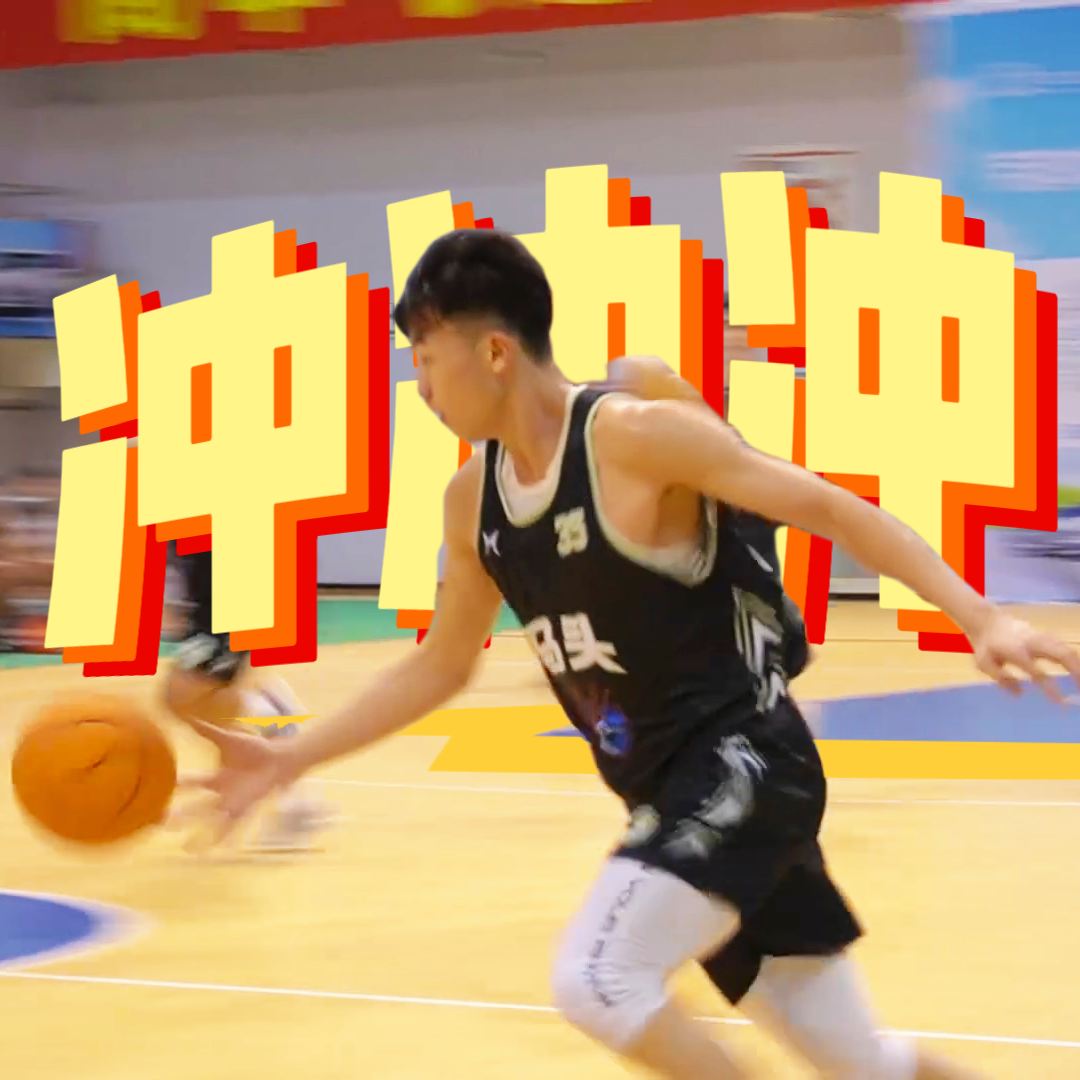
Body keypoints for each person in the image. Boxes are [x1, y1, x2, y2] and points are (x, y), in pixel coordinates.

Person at [187, 229, 1079, 1079]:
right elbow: (440, 665)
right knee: (860, 1062)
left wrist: (982, 618)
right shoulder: (472, 502)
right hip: (671, 795)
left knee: (598, 977)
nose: (417, 384)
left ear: (494, 351)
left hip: (745, 764)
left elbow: (830, 507)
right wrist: (290, 756)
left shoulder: (632, 438)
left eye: (424, 356)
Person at [165, 542, 334, 851]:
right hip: (212, 590)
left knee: (190, 692)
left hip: (235, 582)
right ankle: (285, 788)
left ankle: (291, 789)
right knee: (199, 699)